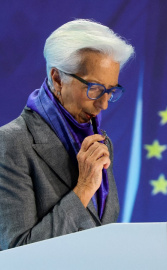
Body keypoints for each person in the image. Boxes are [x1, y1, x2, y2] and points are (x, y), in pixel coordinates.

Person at [0, 19, 134, 250]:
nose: (104, 105)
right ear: (57, 79)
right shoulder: (11, 142)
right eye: (94, 89)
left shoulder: (101, 143)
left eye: (111, 91)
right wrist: (83, 188)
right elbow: (18, 253)